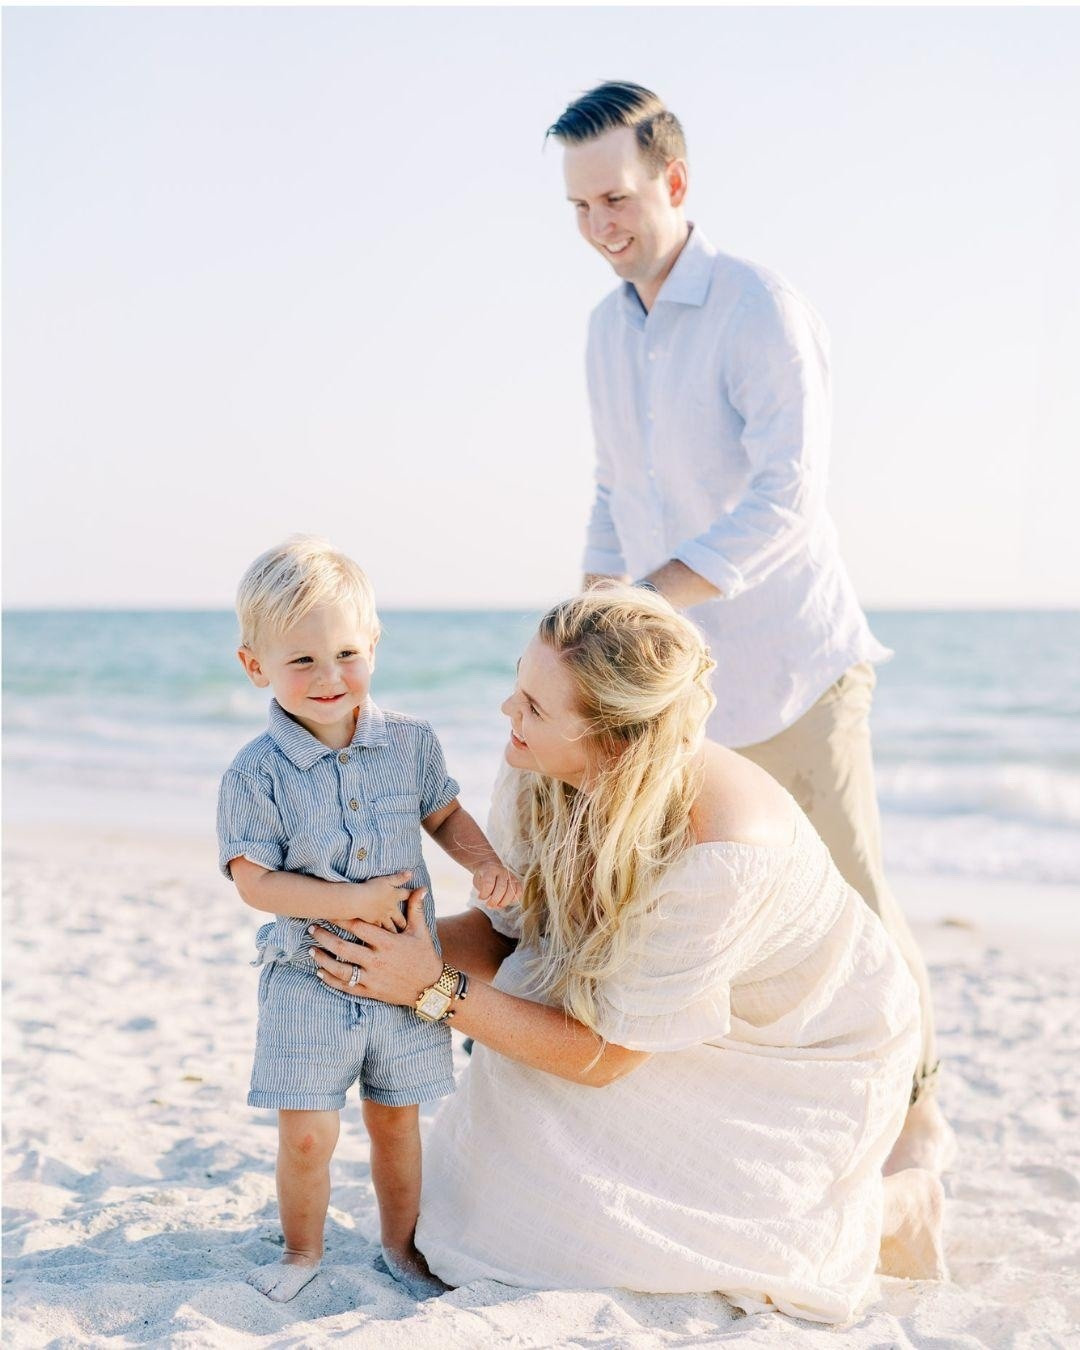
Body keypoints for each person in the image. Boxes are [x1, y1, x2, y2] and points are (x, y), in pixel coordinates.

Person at [306, 586, 946, 1323]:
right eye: (518, 686)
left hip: (799, 1046)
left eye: (536, 709)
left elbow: (606, 1057)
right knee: (503, 1156)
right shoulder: (538, 762)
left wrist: (432, 989)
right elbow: (510, 931)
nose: (508, 714)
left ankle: (895, 1206)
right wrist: (365, 946)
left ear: (616, 742)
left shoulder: (724, 848)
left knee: (571, 1175)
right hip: (648, 1011)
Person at [547, 81, 950, 1173]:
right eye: (580, 208)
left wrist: (646, 599)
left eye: (617, 199)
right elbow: (612, 487)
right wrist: (592, 610)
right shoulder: (601, 330)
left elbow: (788, 496)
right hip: (685, 691)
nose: (600, 228)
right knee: (711, 907)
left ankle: (920, 1122)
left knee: (857, 901)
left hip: (801, 669)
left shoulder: (758, 307)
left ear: (674, 182)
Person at [216, 536, 519, 1302]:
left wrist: (480, 862)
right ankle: (300, 1251)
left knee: (396, 1124)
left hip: (403, 976)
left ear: (374, 646)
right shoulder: (255, 771)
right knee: (309, 1133)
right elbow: (254, 882)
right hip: (308, 979)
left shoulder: (410, 743)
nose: (329, 678)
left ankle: (402, 1248)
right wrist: (350, 902)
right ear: (256, 667)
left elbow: (444, 813)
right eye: (301, 661)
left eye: (346, 653)